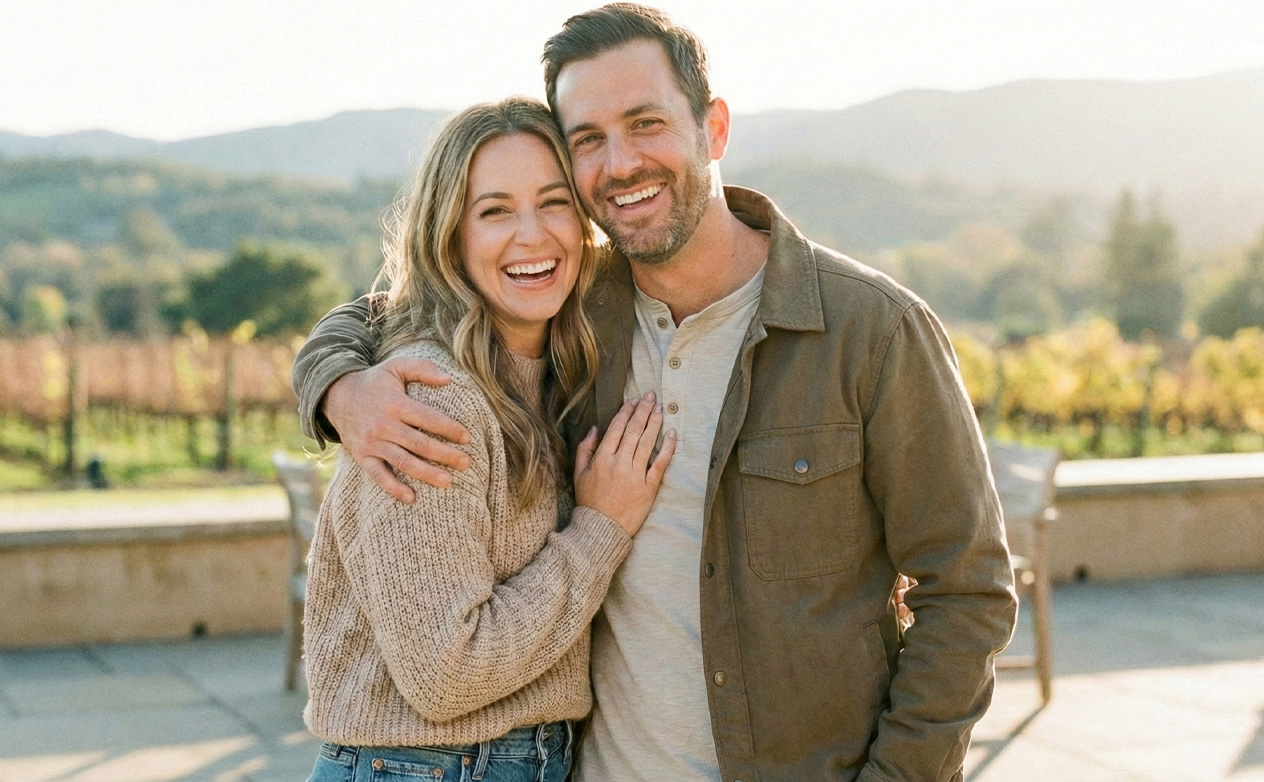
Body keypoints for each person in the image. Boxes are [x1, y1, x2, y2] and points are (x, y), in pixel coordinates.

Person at [293, 4, 1017, 781]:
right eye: (588, 141)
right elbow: (410, 301)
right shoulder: (576, 312)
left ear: (714, 128)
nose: (621, 162)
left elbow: (967, 593)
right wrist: (338, 381)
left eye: (646, 124)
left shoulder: (870, 331)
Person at [301, 96, 675, 782]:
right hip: (431, 768)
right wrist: (601, 528)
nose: (531, 236)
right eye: (494, 211)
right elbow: (445, 674)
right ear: (451, 236)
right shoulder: (430, 396)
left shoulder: (550, 365)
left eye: (554, 202)